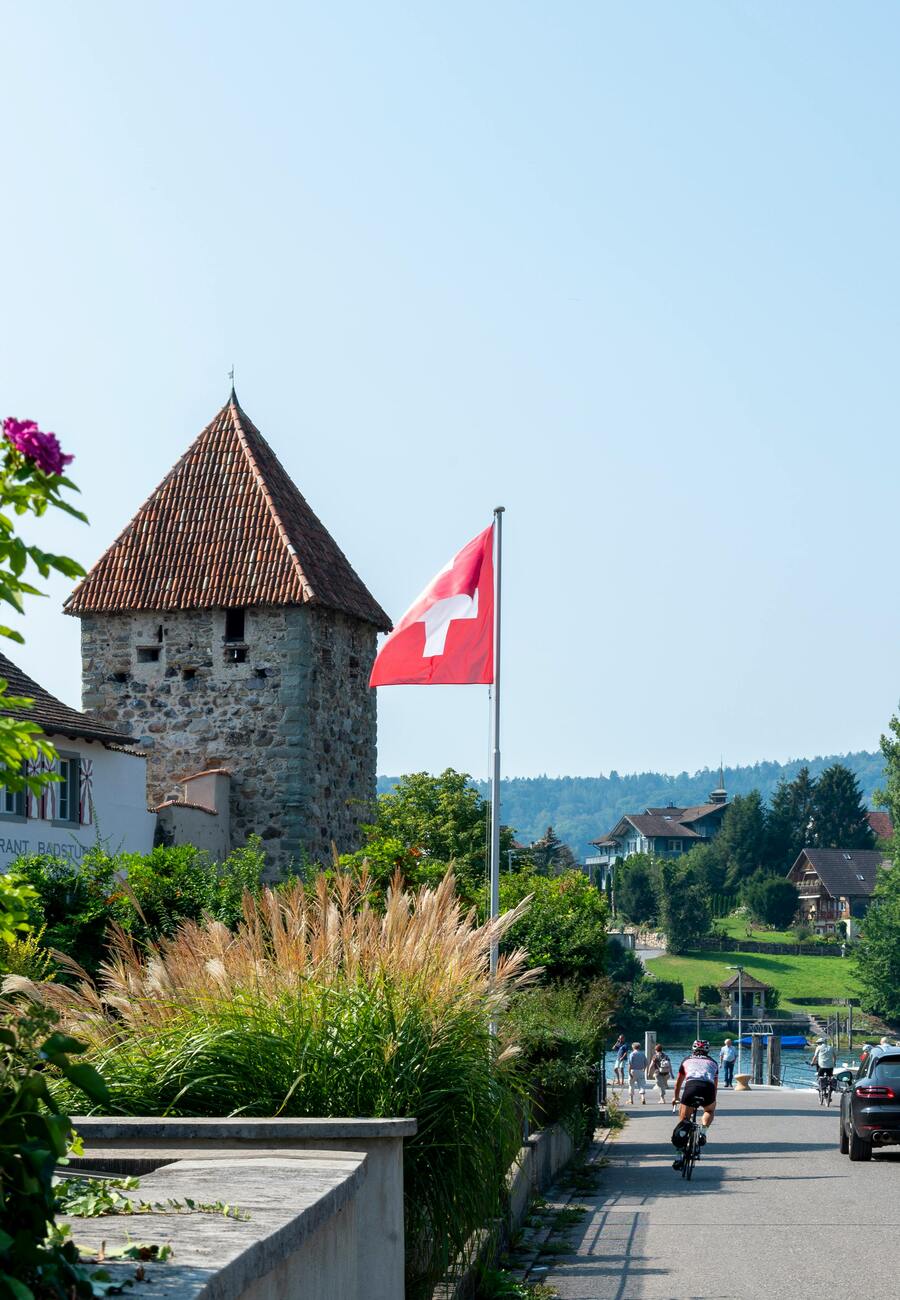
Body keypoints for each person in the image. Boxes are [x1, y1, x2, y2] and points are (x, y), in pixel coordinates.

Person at [671, 1040, 719, 1169]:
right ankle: (703, 1132)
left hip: (691, 1088)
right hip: (707, 1088)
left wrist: (676, 1098)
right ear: (708, 1051)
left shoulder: (686, 1060)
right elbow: (715, 1086)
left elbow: (678, 1084)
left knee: (683, 1123)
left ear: (693, 1050)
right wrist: (713, 1100)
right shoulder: (713, 1063)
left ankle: (679, 1156)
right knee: (709, 1111)